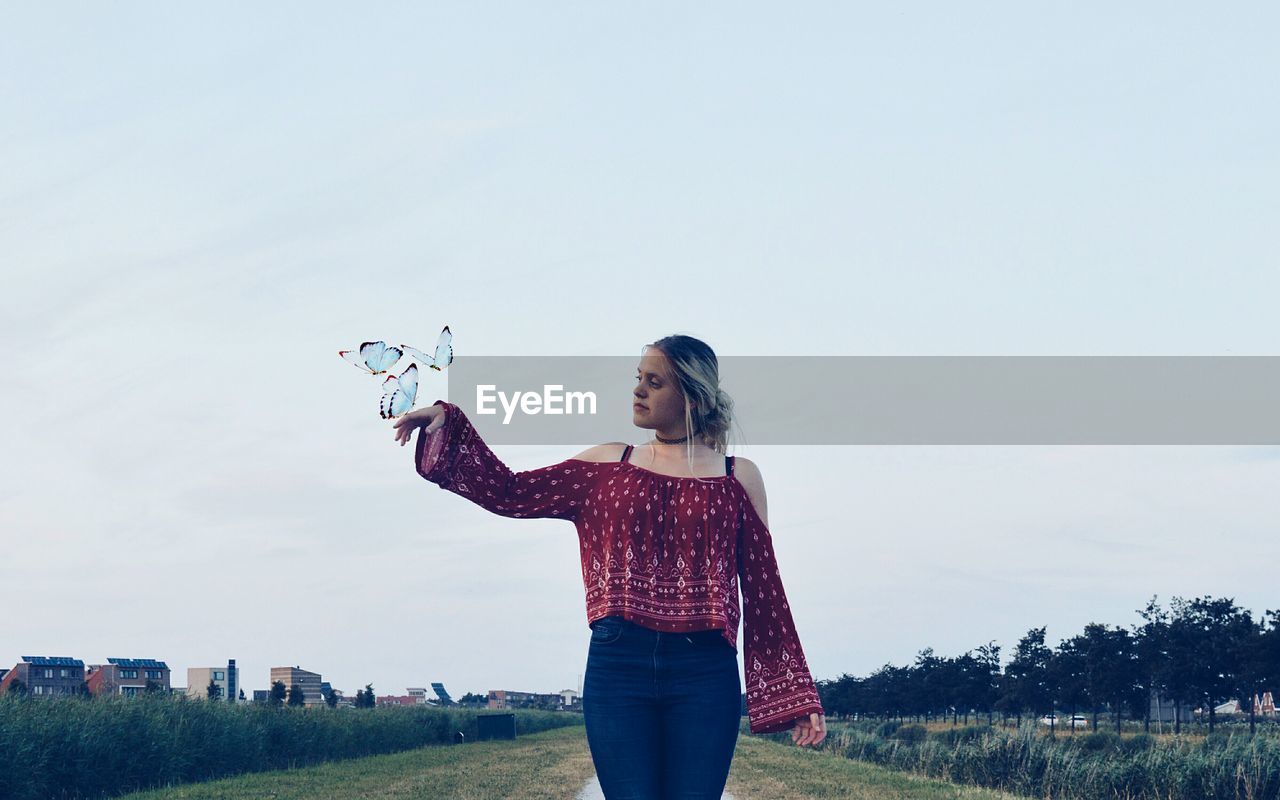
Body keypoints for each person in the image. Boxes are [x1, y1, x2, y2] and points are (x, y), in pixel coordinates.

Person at [392, 334, 825, 798]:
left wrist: (795, 693)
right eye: (638, 379)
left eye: (654, 382)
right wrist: (446, 422)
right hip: (619, 665)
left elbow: (764, 590)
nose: (638, 390)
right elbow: (510, 492)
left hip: (705, 672)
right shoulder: (607, 466)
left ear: (693, 397)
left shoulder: (738, 477)